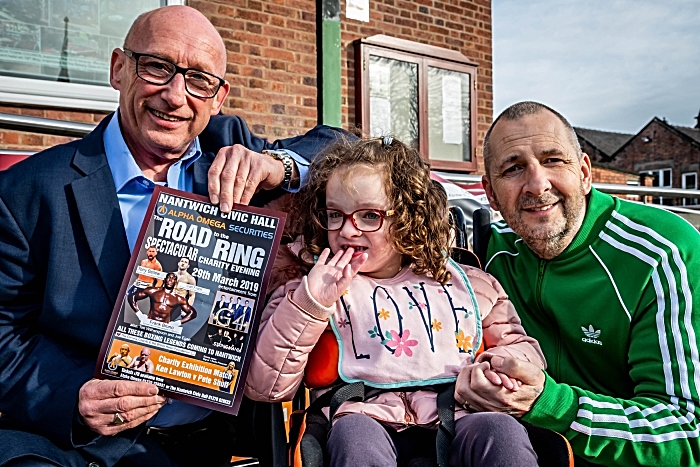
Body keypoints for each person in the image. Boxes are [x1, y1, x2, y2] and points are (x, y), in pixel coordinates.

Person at [0, 5, 348, 466]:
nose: (175, 96)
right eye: (158, 67)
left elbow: (349, 147)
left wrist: (278, 166)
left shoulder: (229, 152)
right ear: (119, 68)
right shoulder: (28, 190)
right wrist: (72, 397)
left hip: (211, 440)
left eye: (199, 80)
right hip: (74, 447)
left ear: (219, 96)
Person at [244, 137, 546, 466]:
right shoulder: (308, 288)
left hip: (460, 411)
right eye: (334, 215)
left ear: (407, 218)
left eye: (369, 216)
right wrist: (310, 303)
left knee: (502, 431)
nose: (347, 230)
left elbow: (524, 351)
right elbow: (264, 388)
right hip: (360, 412)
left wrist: (498, 368)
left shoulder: (471, 284)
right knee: (355, 436)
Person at [454, 101, 700, 466]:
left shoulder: (661, 251)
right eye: (514, 168)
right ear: (490, 193)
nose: (537, 185)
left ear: (585, 173)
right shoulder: (487, 255)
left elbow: (686, 432)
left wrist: (550, 403)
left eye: (553, 160)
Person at [128, 272, 197, 325]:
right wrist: (139, 315)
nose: (170, 280)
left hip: (164, 326)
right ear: (164, 280)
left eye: (173, 279)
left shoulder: (178, 299)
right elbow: (132, 297)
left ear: (175, 282)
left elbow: (193, 313)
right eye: (169, 277)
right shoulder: (153, 291)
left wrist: (177, 323)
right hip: (149, 322)